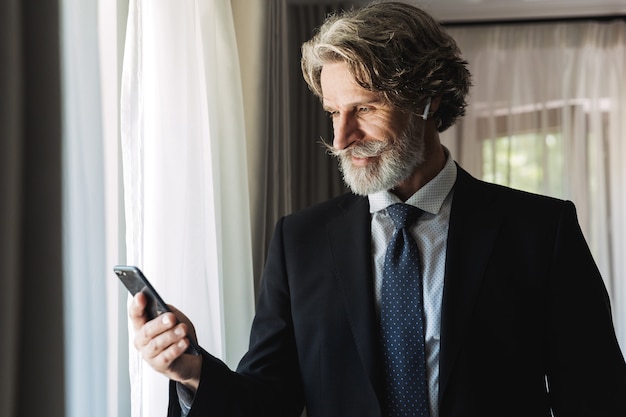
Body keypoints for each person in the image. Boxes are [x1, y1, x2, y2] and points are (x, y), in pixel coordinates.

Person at [130, 2, 626, 416]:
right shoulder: (298, 242)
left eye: (364, 109)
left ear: (429, 102)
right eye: (333, 112)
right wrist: (191, 371)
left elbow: (597, 397)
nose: (342, 138)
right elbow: (269, 401)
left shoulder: (541, 231)